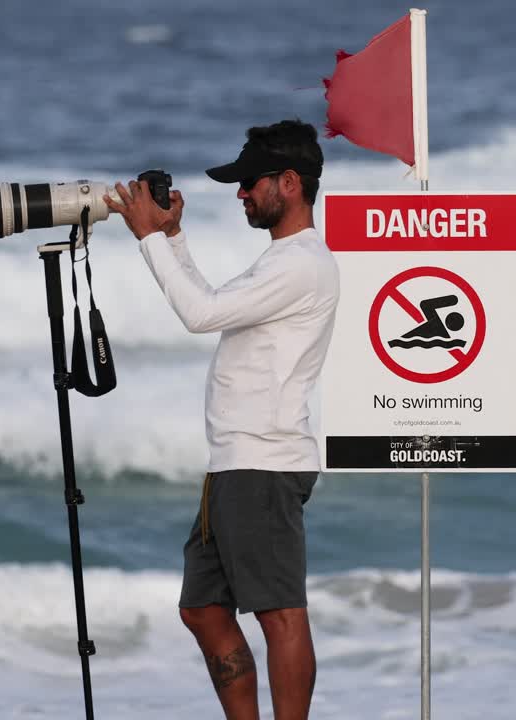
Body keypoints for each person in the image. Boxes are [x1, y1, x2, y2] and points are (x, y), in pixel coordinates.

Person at [103, 119, 340, 720]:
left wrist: (148, 239)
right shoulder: (280, 263)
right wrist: (174, 237)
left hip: (264, 459)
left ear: (289, 183)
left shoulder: (301, 264)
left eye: (248, 183)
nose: (240, 194)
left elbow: (200, 314)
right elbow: (214, 304)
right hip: (234, 463)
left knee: (279, 612)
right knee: (202, 608)